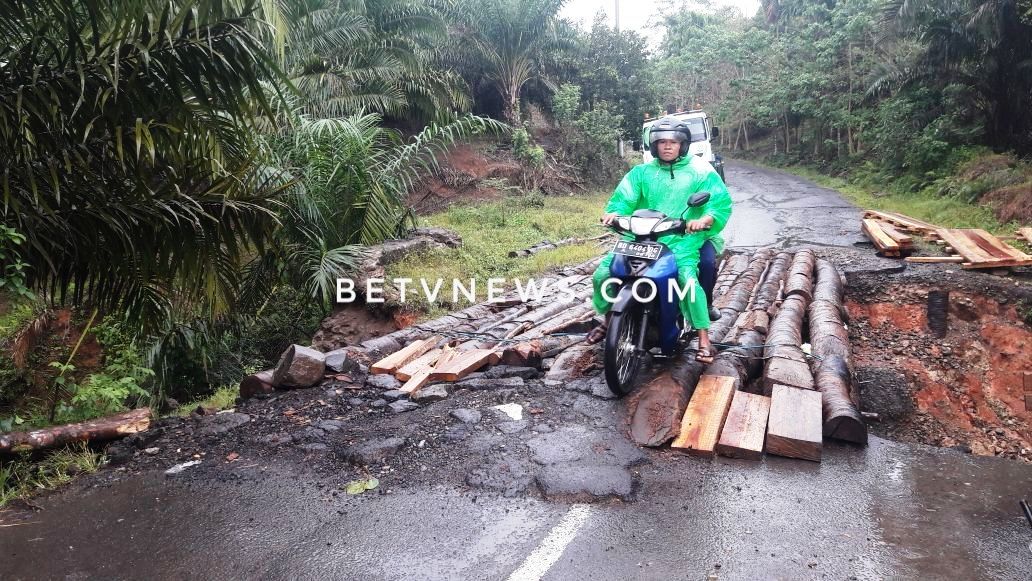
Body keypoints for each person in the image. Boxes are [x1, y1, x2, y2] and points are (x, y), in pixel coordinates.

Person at [585, 116, 732, 363]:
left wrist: (704, 220)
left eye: (673, 142)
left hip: (681, 238)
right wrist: (614, 214)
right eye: (661, 142)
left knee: (687, 283)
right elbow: (623, 199)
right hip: (641, 235)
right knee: (603, 274)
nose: (667, 146)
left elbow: (719, 202)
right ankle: (610, 321)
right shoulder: (641, 172)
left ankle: (704, 338)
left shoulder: (700, 170)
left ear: (682, 145)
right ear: (653, 145)